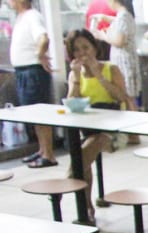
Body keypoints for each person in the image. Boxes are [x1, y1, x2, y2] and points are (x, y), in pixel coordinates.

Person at [64, 28, 132, 221]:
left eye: (85, 47)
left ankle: (67, 190)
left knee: (81, 159)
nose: (82, 53)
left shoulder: (111, 69)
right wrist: (76, 78)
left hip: (113, 131)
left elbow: (122, 97)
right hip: (87, 130)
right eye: (76, 49)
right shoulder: (75, 74)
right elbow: (71, 104)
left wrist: (98, 75)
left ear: (94, 47)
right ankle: (87, 207)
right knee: (84, 159)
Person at [10, 0, 56, 169]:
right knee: (33, 115)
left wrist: (39, 54)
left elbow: (43, 38)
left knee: (40, 113)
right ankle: (42, 150)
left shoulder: (32, 16)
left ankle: (49, 154)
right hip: (23, 71)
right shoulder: (21, 17)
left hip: (33, 71)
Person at [91, 0, 140, 143]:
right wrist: (105, 18)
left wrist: (101, 35)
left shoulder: (123, 16)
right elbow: (120, 24)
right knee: (129, 97)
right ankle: (133, 134)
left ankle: (134, 134)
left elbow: (119, 41)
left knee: (128, 97)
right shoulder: (124, 15)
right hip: (126, 60)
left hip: (124, 61)